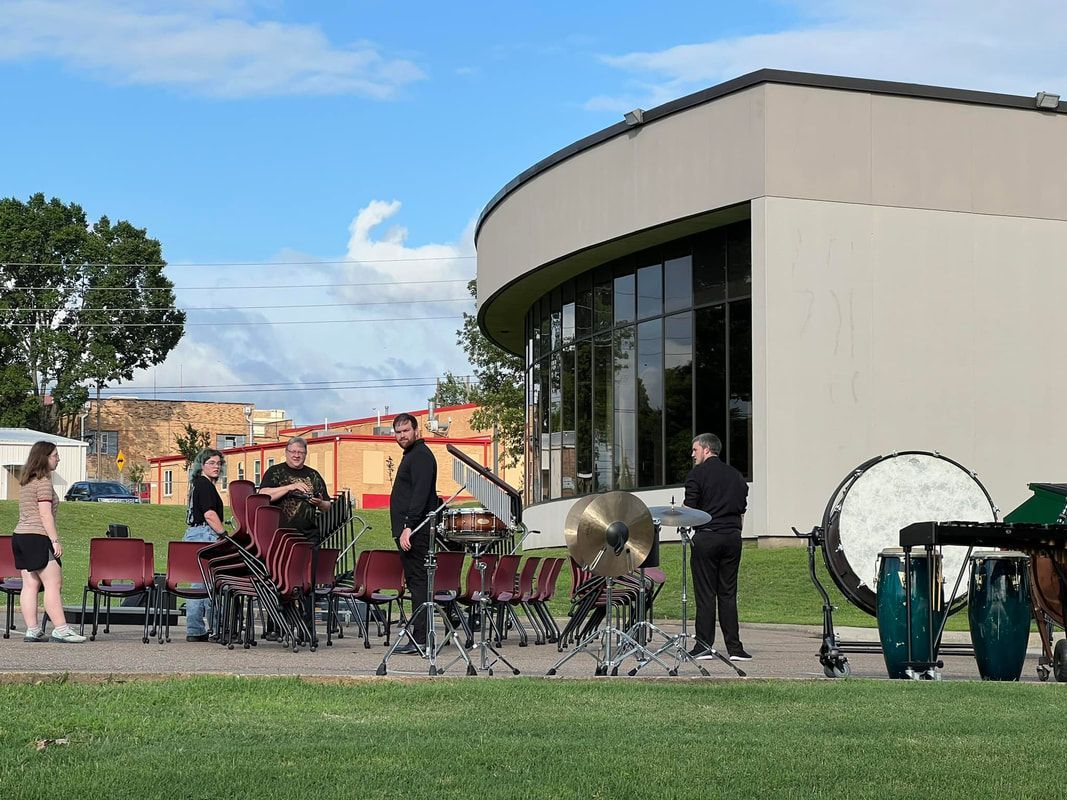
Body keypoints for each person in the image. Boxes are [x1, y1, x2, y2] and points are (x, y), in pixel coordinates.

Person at [683, 432, 752, 661]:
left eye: (695, 450)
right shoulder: (735, 475)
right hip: (733, 538)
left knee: (705, 595)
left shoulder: (697, 474)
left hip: (708, 537)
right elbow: (741, 508)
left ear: (706, 449)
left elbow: (690, 510)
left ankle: (703, 646)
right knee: (728, 593)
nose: (693, 455)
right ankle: (735, 648)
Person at [12, 441, 86, 643]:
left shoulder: (27, 482)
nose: (58, 458)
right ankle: (61, 629)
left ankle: (32, 630)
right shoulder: (43, 482)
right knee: (54, 583)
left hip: (20, 536)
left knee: (30, 584)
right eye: (55, 455)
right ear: (44, 457)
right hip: (37, 537)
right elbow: (45, 515)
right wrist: (55, 541)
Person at [389, 413, 438, 655]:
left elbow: (419, 495)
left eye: (406, 430)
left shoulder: (420, 456)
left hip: (415, 532)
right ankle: (421, 636)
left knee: (419, 585)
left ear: (416, 430)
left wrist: (408, 526)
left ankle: (421, 638)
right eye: (398, 432)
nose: (402, 436)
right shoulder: (413, 455)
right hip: (410, 531)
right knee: (416, 584)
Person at [183, 448, 227, 642]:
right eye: (211, 463)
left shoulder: (196, 485)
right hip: (205, 535)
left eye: (218, 463)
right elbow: (209, 514)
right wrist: (224, 534)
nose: (216, 466)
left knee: (197, 583)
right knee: (210, 584)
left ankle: (194, 629)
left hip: (192, 534)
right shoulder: (205, 485)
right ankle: (215, 628)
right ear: (201, 465)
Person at [258, 437, 332, 539]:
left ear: (305, 454)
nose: (296, 455)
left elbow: (327, 506)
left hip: (308, 536)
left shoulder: (314, 475)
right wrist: (290, 487)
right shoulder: (274, 471)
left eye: (301, 452)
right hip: (279, 535)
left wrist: (320, 503)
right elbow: (263, 495)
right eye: (293, 451)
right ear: (286, 452)